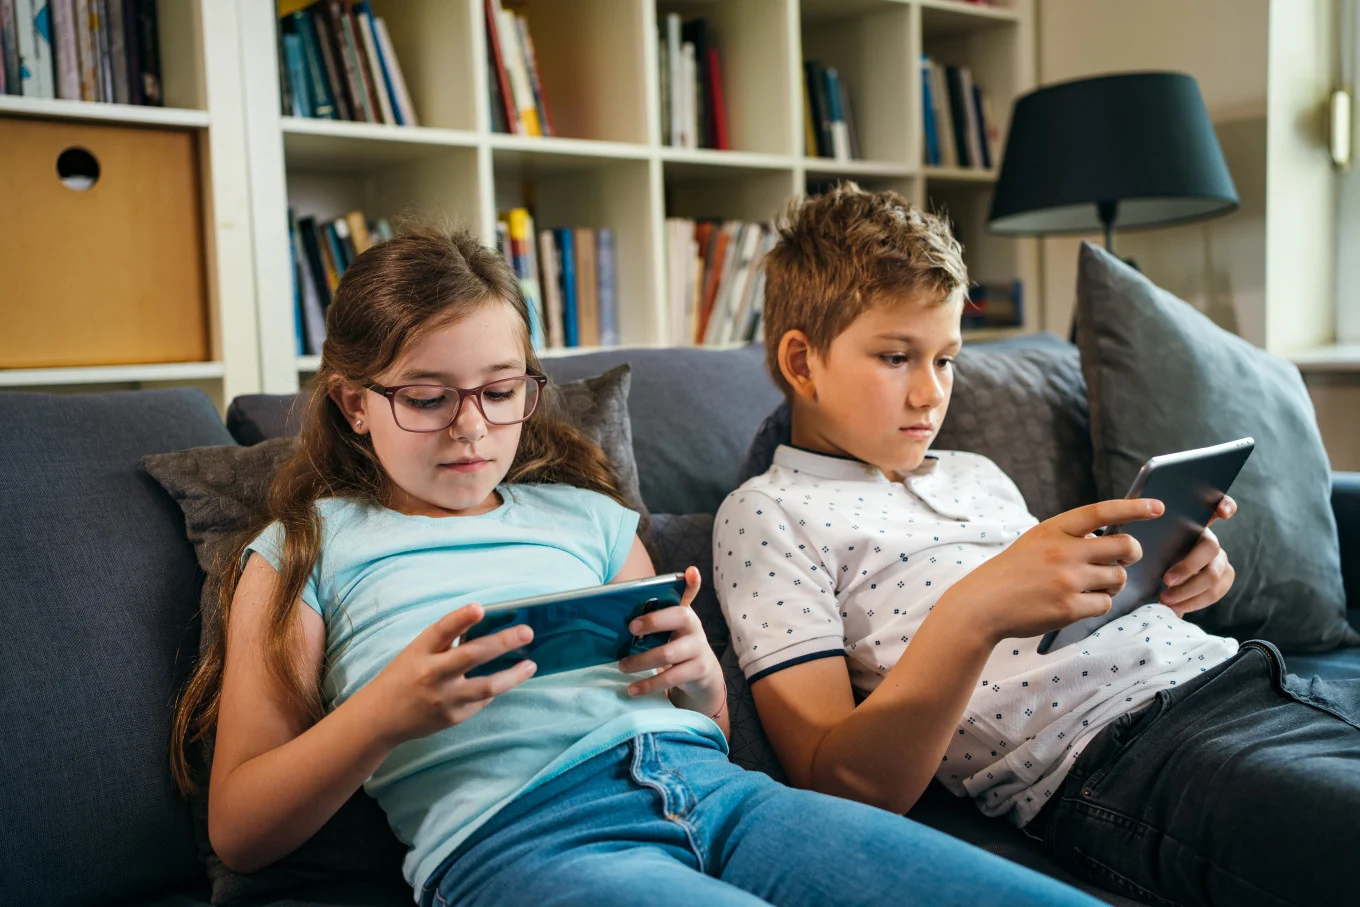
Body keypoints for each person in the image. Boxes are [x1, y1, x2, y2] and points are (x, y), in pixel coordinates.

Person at [169, 226, 1099, 907]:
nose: (473, 428)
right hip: (525, 838)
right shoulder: (304, 547)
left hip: (726, 796)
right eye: (426, 397)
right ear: (355, 403)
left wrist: (697, 678)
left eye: (500, 392)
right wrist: (386, 713)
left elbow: (709, 722)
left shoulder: (591, 516)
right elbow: (240, 830)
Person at [714, 184, 1360, 907]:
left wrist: (1163, 580)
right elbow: (837, 783)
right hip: (1130, 757)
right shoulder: (766, 512)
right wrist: (975, 612)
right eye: (898, 357)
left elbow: (1072, 638)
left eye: (947, 360)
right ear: (801, 363)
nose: (932, 394)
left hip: (1247, 678)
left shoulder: (975, 474)